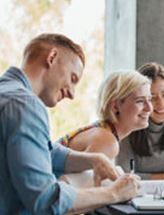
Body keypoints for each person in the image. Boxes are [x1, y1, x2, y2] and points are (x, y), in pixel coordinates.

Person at [0, 33, 140, 214]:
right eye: (73, 78)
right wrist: (114, 193)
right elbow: (45, 201)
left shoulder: (7, 93)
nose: (72, 94)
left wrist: (94, 159)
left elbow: (40, 152)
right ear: (52, 58)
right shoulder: (25, 106)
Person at [56, 71, 153, 160]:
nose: (149, 108)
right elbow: (80, 179)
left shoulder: (104, 132)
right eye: (140, 101)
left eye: (149, 99)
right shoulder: (106, 141)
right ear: (115, 106)